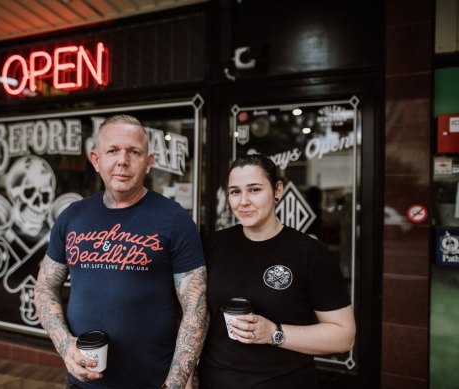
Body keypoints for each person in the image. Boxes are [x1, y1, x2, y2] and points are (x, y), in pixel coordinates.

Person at [35, 115, 208, 389]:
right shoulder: (72, 217)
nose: (123, 161)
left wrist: (174, 384)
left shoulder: (174, 220)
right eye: (112, 150)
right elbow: (45, 286)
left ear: (149, 162)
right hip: (80, 383)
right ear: (96, 160)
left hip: (150, 383)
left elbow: (196, 309)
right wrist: (65, 344)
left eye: (134, 152)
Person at [197, 154, 356, 389]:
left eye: (254, 190)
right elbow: (198, 316)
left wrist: (273, 333)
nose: (243, 201)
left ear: (277, 191)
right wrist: (188, 373)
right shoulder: (213, 246)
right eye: (235, 192)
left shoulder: (311, 253)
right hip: (215, 381)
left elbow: (343, 336)